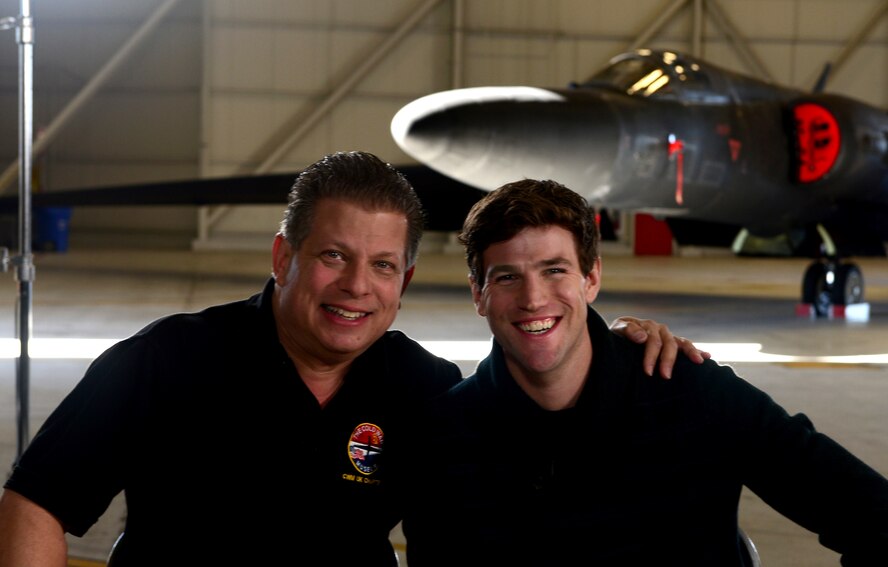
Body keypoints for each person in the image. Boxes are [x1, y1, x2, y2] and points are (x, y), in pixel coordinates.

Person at [0, 152, 706, 566]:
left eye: (383, 264)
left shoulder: (427, 388)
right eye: (334, 255)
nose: (356, 287)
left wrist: (618, 345)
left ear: (403, 280)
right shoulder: (165, 361)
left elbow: (544, 436)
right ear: (285, 256)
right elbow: (36, 500)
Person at [402, 178, 888, 567]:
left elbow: (866, 511)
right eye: (507, 277)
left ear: (591, 278)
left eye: (555, 270)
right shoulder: (445, 436)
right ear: (477, 294)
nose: (533, 299)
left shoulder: (691, 390)